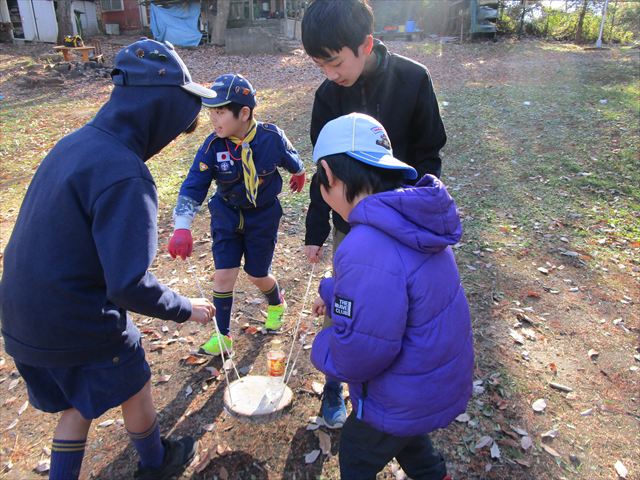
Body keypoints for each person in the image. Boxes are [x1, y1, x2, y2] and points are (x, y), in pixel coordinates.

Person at [0, 39, 217, 480]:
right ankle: (157, 463)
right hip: (71, 319)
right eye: (177, 125)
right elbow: (128, 283)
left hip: (20, 316)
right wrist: (186, 308)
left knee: (82, 401)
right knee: (133, 378)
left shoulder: (75, 144)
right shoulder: (124, 174)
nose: (174, 136)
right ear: (157, 110)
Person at [301, 0, 448, 427]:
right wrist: (315, 230)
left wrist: (419, 208)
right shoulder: (328, 96)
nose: (331, 75)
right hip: (352, 227)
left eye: (335, 62)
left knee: (399, 308)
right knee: (346, 303)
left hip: (403, 224)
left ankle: (393, 387)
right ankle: (334, 386)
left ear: (365, 44)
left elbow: (428, 153)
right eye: (320, 66)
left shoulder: (413, 79)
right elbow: (323, 169)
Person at [309, 113, 472, 480]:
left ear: (329, 175)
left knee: (357, 451)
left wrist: (321, 347)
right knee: (406, 438)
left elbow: (364, 350)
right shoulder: (413, 224)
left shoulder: (363, 245)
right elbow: (391, 299)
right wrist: (331, 291)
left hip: (398, 390)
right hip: (428, 377)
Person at [168, 73, 306, 356]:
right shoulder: (212, 147)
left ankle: (277, 302)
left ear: (244, 113)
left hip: (263, 216)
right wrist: (182, 226)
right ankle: (224, 336)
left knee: (257, 273)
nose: (214, 120)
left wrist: (299, 173)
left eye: (220, 112)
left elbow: (293, 158)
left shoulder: (271, 138)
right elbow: (193, 185)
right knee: (223, 276)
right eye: (211, 113)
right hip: (227, 214)